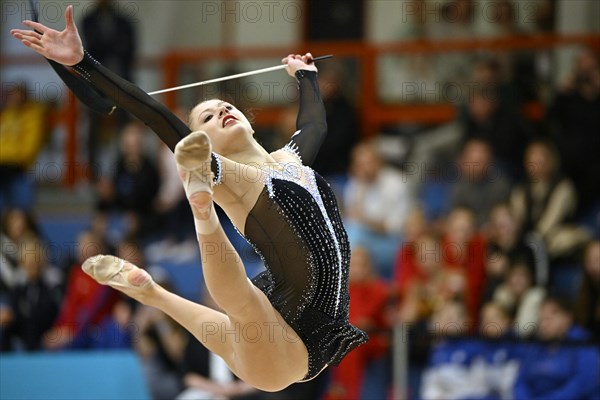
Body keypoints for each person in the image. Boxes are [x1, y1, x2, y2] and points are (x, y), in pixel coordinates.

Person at [11, 6, 367, 391]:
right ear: (197, 142)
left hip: (296, 328)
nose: (222, 111)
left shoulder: (292, 158)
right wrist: (84, 62)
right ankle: (202, 211)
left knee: (237, 321)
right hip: (281, 344)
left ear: (247, 118)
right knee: (245, 305)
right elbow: (151, 113)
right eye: (207, 118)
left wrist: (306, 77)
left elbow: (314, 123)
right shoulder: (229, 178)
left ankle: (153, 293)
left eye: (225, 107)